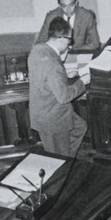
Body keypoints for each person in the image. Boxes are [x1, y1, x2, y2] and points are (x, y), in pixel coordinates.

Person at [28, 17, 91, 157]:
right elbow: (64, 97)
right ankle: (64, 168)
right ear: (61, 38)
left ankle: (68, 160)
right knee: (59, 158)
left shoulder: (37, 50)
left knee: (80, 128)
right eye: (69, 41)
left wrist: (64, 75)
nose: (69, 45)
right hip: (54, 120)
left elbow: (44, 74)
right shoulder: (54, 64)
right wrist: (83, 82)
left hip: (41, 112)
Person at [34, 0, 100, 52]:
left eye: (71, 5)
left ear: (76, 3)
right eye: (64, 6)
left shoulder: (87, 16)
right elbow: (40, 42)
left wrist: (74, 51)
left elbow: (95, 43)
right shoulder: (51, 17)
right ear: (59, 6)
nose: (68, 10)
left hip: (79, 53)